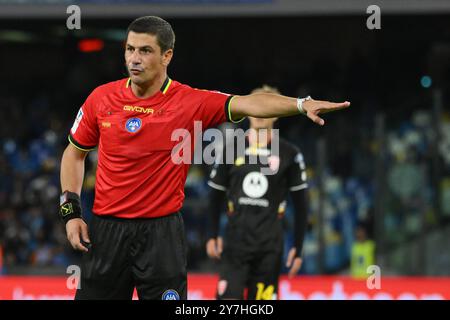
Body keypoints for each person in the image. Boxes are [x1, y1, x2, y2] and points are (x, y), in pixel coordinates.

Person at [59, 16, 350, 300]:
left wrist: (301, 104)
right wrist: (71, 213)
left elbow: (250, 103)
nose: (134, 58)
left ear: (166, 56)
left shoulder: (190, 102)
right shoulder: (101, 98)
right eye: (130, 49)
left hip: (162, 235)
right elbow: (74, 154)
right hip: (107, 230)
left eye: (145, 50)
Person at [205, 85, 309, 300]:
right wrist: (212, 235)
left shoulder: (290, 154)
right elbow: (214, 196)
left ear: (277, 114)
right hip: (235, 245)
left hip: (269, 248)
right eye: (257, 106)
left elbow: (302, 205)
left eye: (268, 107)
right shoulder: (231, 149)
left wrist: (298, 247)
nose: (261, 114)